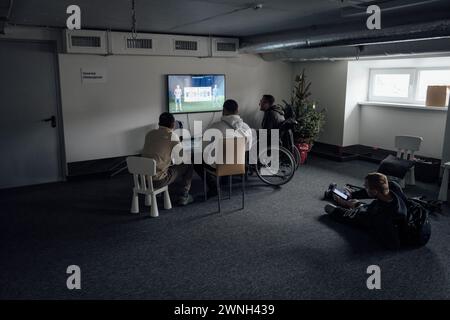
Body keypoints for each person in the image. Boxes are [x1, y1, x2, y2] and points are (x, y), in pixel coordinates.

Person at [324, 172, 408, 250]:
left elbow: (358, 216)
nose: (364, 185)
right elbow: (372, 193)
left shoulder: (377, 213)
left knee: (328, 208)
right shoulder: (394, 186)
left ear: (375, 191)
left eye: (366, 186)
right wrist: (353, 195)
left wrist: (347, 204)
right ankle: (353, 202)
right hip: (390, 211)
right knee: (359, 203)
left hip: (375, 218)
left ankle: (334, 197)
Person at [194, 99, 252, 195]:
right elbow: (248, 148)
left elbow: (204, 149)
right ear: (237, 110)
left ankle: (214, 187)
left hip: (219, 165)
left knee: (195, 158)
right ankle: (226, 178)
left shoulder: (215, 127)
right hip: (239, 165)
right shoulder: (246, 127)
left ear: (224, 110)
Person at [142, 112, 194, 206]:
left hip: (142, 179)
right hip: (158, 180)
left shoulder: (149, 134)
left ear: (159, 123)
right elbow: (181, 157)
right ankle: (184, 195)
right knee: (188, 165)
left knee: (164, 164)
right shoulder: (172, 135)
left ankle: (158, 193)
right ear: (173, 124)